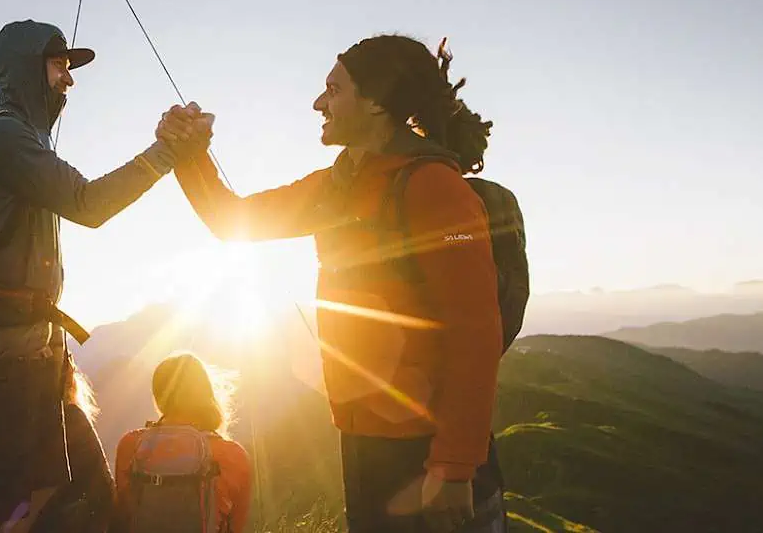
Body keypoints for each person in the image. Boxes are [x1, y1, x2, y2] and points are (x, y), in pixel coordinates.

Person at [157, 35, 506, 533]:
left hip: (426, 450)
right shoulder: (337, 186)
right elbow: (231, 219)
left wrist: (454, 466)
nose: (319, 103)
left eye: (334, 90)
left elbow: (475, 332)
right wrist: (188, 153)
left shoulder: (436, 189)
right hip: (364, 443)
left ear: (376, 102)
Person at [0, 19, 182, 533]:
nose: (69, 79)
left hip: (32, 351)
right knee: (6, 508)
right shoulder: (4, 137)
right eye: (59, 65)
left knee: (75, 492)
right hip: (3, 361)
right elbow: (88, 203)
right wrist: (166, 153)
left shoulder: (21, 137)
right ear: (27, 68)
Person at [110, 353, 255, 533]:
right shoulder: (232, 455)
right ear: (205, 393)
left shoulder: (132, 446)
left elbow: (124, 517)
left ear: (159, 397)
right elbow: (236, 526)